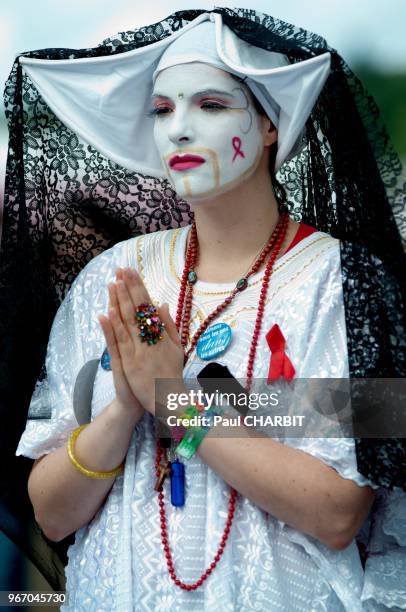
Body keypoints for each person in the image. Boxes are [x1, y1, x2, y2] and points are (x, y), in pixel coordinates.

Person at [1, 8, 405, 611]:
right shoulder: (113, 284)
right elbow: (51, 516)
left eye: (211, 106)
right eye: (163, 111)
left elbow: (339, 509)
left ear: (270, 126)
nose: (180, 130)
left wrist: (175, 399)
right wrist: (125, 409)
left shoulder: (347, 286)